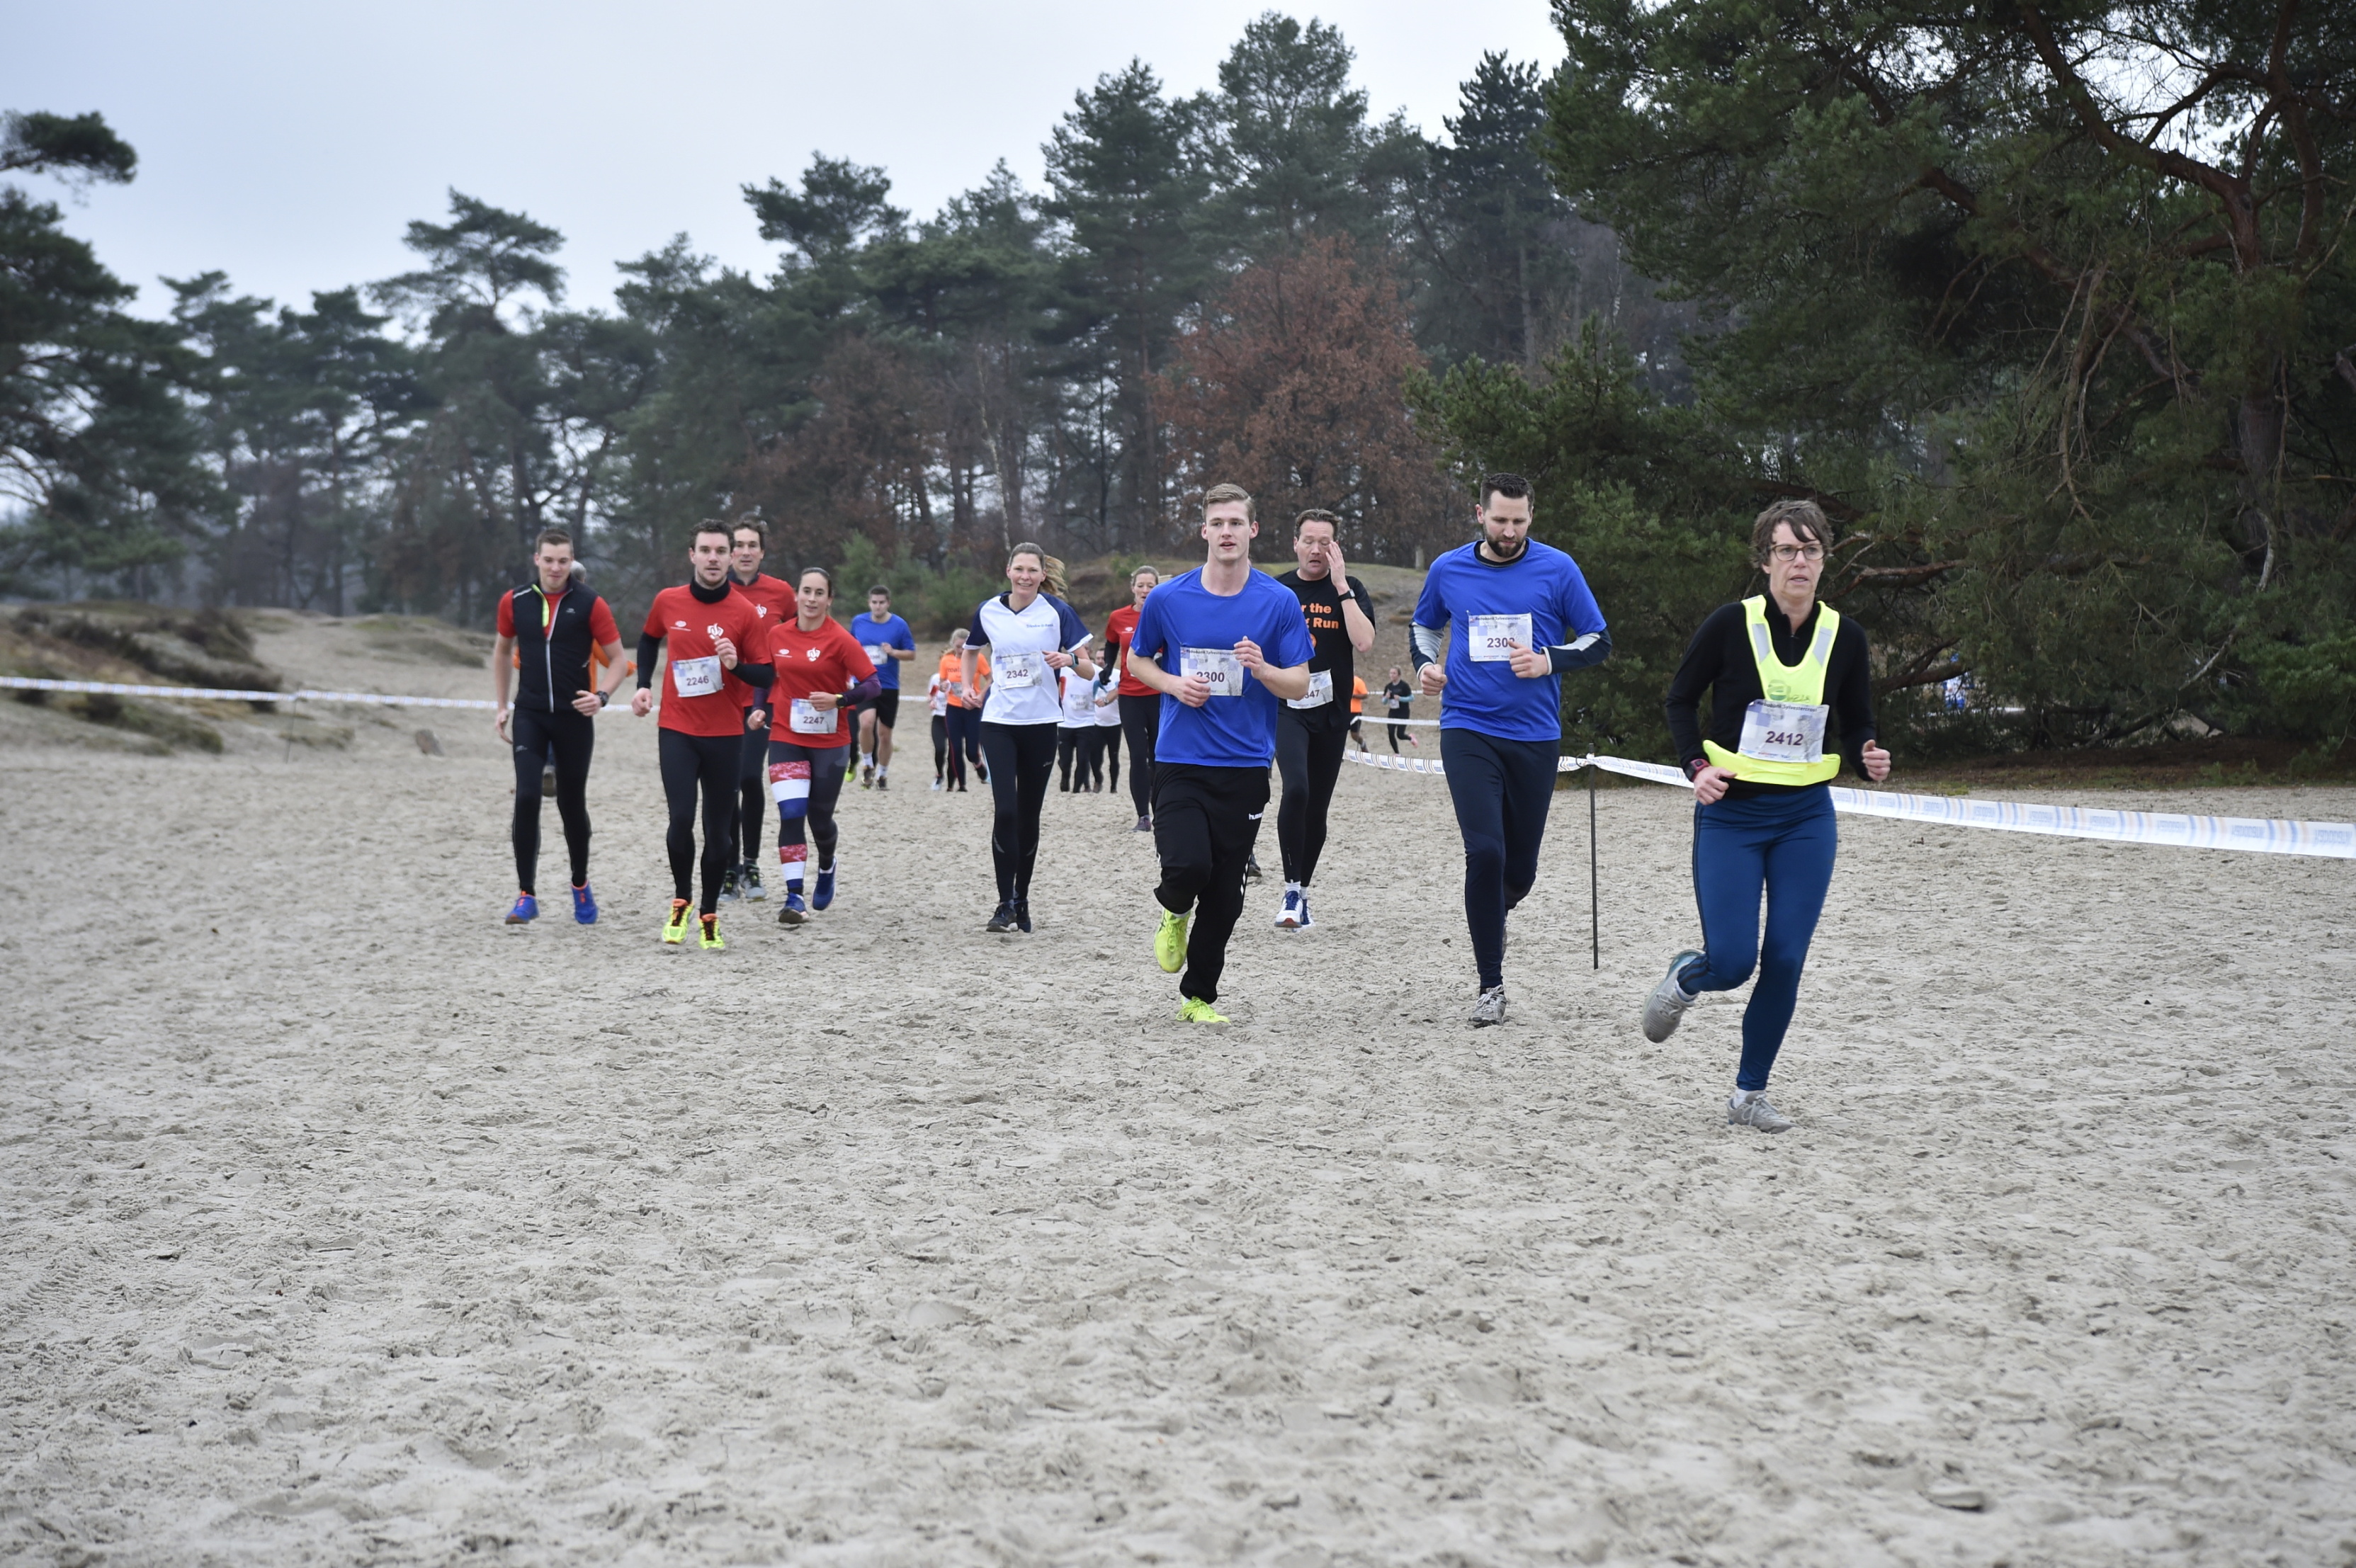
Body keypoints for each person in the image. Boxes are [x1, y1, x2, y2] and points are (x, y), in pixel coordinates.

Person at [1643, 499, 1891, 1133]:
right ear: (1765, 561)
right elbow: (1679, 700)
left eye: (1810, 550)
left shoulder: (1846, 636)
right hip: (1732, 814)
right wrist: (1696, 767)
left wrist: (1867, 751)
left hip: (1806, 817)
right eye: (1787, 550)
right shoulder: (1730, 624)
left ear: (1824, 560)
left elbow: (1856, 718)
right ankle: (1686, 977)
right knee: (1733, 963)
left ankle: (1748, 1095)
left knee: (1784, 959)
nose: (1799, 561)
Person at [1411, 472, 1611, 1025]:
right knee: (1486, 852)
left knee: (1519, 871)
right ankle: (1490, 985)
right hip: (1468, 727)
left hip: (1534, 735)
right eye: (1500, 520)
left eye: (1519, 521)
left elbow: (1598, 640)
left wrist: (1549, 659)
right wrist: (1425, 667)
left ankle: (1492, 912)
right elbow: (1425, 626)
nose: (1509, 531)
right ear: (1480, 514)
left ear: (1531, 517)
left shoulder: (1558, 569)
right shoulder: (1448, 568)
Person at [1126, 484, 1315, 1021]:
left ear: (1252, 530)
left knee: (1227, 897)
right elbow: (1138, 661)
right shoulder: (1169, 598)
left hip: (1246, 763)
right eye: (1218, 523)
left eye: (1236, 523)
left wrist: (1263, 668)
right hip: (1181, 758)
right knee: (1188, 866)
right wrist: (1172, 684)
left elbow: (1300, 684)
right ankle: (1174, 910)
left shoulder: (1278, 601)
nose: (1226, 532)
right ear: (1204, 531)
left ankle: (1197, 999)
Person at [633, 522, 774, 949]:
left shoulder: (744, 613)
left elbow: (766, 673)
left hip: (725, 734)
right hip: (677, 729)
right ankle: (682, 901)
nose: (714, 558)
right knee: (680, 819)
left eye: (721, 551)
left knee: (719, 832)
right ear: (692, 555)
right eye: (706, 550)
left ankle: (709, 913)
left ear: (730, 558)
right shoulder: (668, 600)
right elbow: (648, 640)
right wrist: (644, 684)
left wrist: (735, 666)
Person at [491, 528, 626, 926]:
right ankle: (526, 895)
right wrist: (501, 706)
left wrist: (601, 696)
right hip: (530, 714)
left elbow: (619, 660)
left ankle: (580, 884)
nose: (555, 568)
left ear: (572, 561)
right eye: (549, 560)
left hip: (573, 718)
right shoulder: (515, 600)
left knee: (571, 804)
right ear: (537, 559)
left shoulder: (590, 604)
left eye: (563, 561)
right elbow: (501, 650)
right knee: (526, 797)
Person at [963, 543, 1094, 932]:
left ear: (1042, 575)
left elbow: (1090, 670)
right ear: (1008, 571)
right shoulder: (989, 610)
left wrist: (1069, 659)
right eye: (1019, 569)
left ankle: (1022, 899)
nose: (1025, 576)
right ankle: (1004, 903)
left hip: (1041, 723)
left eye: (1032, 570)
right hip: (999, 722)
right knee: (1006, 810)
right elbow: (971, 650)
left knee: (1028, 814)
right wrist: (967, 686)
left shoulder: (1057, 612)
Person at [749, 567, 880, 924]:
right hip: (786, 737)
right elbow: (765, 676)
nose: (811, 599)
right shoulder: (777, 634)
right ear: (796, 595)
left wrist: (840, 700)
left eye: (819, 593)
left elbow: (872, 684)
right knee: (792, 813)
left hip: (830, 742)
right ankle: (794, 897)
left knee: (819, 820)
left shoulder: (840, 639)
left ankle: (827, 864)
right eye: (806, 591)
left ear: (829, 599)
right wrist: (759, 707)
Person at [1271, 509, 1375, 931]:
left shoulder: (1350, 588)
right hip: (1287, 706)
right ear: (1295, 544)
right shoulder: (1278, 588)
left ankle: (1303, 892)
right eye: (1309, 541)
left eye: (1325, 542)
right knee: (1296, 788)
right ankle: (1289, 890)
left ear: (1336, 548)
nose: (1316, 549)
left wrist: (1341, 587)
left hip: (1332, 711)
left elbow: (1364, 643)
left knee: (1317, 808)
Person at [723, 516, 794, 902]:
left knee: (749, 777)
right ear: (729, 552)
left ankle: (750, 864)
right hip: (720, 701)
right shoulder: (716, 591)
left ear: (763, 552)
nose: (746, 552)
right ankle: (728, 867)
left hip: (763, 702)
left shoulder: (780, 593)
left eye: (753, 545)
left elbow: (800, 636)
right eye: (739, 545)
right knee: (725, 784)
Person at [1102, 565, 1161, 831]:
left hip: (1159, 694)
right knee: (1137, 756)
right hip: (1130, 695)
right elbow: (1112, 643)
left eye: (1151, 586)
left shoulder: (1164, 614)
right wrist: (1108, 667)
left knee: (1159, 756)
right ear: (1133, 588)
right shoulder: (1118, 617)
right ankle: (1143, 816)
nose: (1145, 590)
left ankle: (1161, 811)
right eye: (1141, 585)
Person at [849, 585, 917, 790]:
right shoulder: (859, 622)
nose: (877, 606)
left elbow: (911, 654)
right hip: (864, 681)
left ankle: (883, 775)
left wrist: (893, 652)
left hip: (888, 685)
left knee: (885, 734)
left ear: (888, 603)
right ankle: (868, 764)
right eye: (874, 602)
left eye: (881, 603)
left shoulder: (899, 625)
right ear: (869, 603)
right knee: (866, 723)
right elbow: (849, 648)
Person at [936, 630, 988, 791]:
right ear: (953, 645)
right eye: (958, 647)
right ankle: (962, 785)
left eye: (964, 647)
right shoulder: (946, 660)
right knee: (955, 748)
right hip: (953, 708)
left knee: (971, 752)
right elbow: (942, 682)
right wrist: (943, 686)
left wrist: (981, 695)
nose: (960, 650)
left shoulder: (978, 658)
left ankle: (978, 765)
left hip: (972, 709)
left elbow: (990, 679)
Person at [1055, 657, 1098, 791]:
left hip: (1087, 722)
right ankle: (1065, 777)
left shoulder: (1096, 671)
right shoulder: (1063, 670)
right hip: (1065, 723)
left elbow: (1112, 686)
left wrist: (1106, 699)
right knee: (1065, 761)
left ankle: (1076, 790)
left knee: (1083, 759)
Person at [1090, 658, 1124, 793]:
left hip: (1115, 723)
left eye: (1103, 658)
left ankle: (1113, 787)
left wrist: (1106, 700)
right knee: (1095, 757)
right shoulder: (1093, 675)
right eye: (1098, 658)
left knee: (1113, 757)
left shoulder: (1118, 675)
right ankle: (1098, 780)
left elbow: (1119, 690)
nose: (1100, 661)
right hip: (1097, 723)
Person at [1381, 666, 1417, 752]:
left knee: (1400, 735)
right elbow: (1383, 702)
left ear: (1399, 675)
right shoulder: (1388, 687)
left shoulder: (1404, 686)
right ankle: (1397, 753)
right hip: (1393, 712)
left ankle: (1410, 738)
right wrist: (1386, 698)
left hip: (1403, 712)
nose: (1392, 675)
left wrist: (1401, 699)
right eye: (1391, 673)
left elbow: (1412, 698)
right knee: (1390, 733)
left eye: (1394, 673)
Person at [926, 666, 951, 790]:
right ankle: (939, 774)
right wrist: (931, 701)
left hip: (953, 718)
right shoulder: (935, 678)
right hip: (938, 718)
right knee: (940, 749)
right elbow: (930, 695)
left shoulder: (959, 678)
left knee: (954, 752)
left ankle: (953, 781)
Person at [1347, 674, 1370, 752]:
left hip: (1355, 711)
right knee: (1340, 733)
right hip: (1344, 711)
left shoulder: (1358, 681)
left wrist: (1354, 696)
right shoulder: (1342, 680)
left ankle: (1363, 744)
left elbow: (1365, 695)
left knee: (1354, 735)